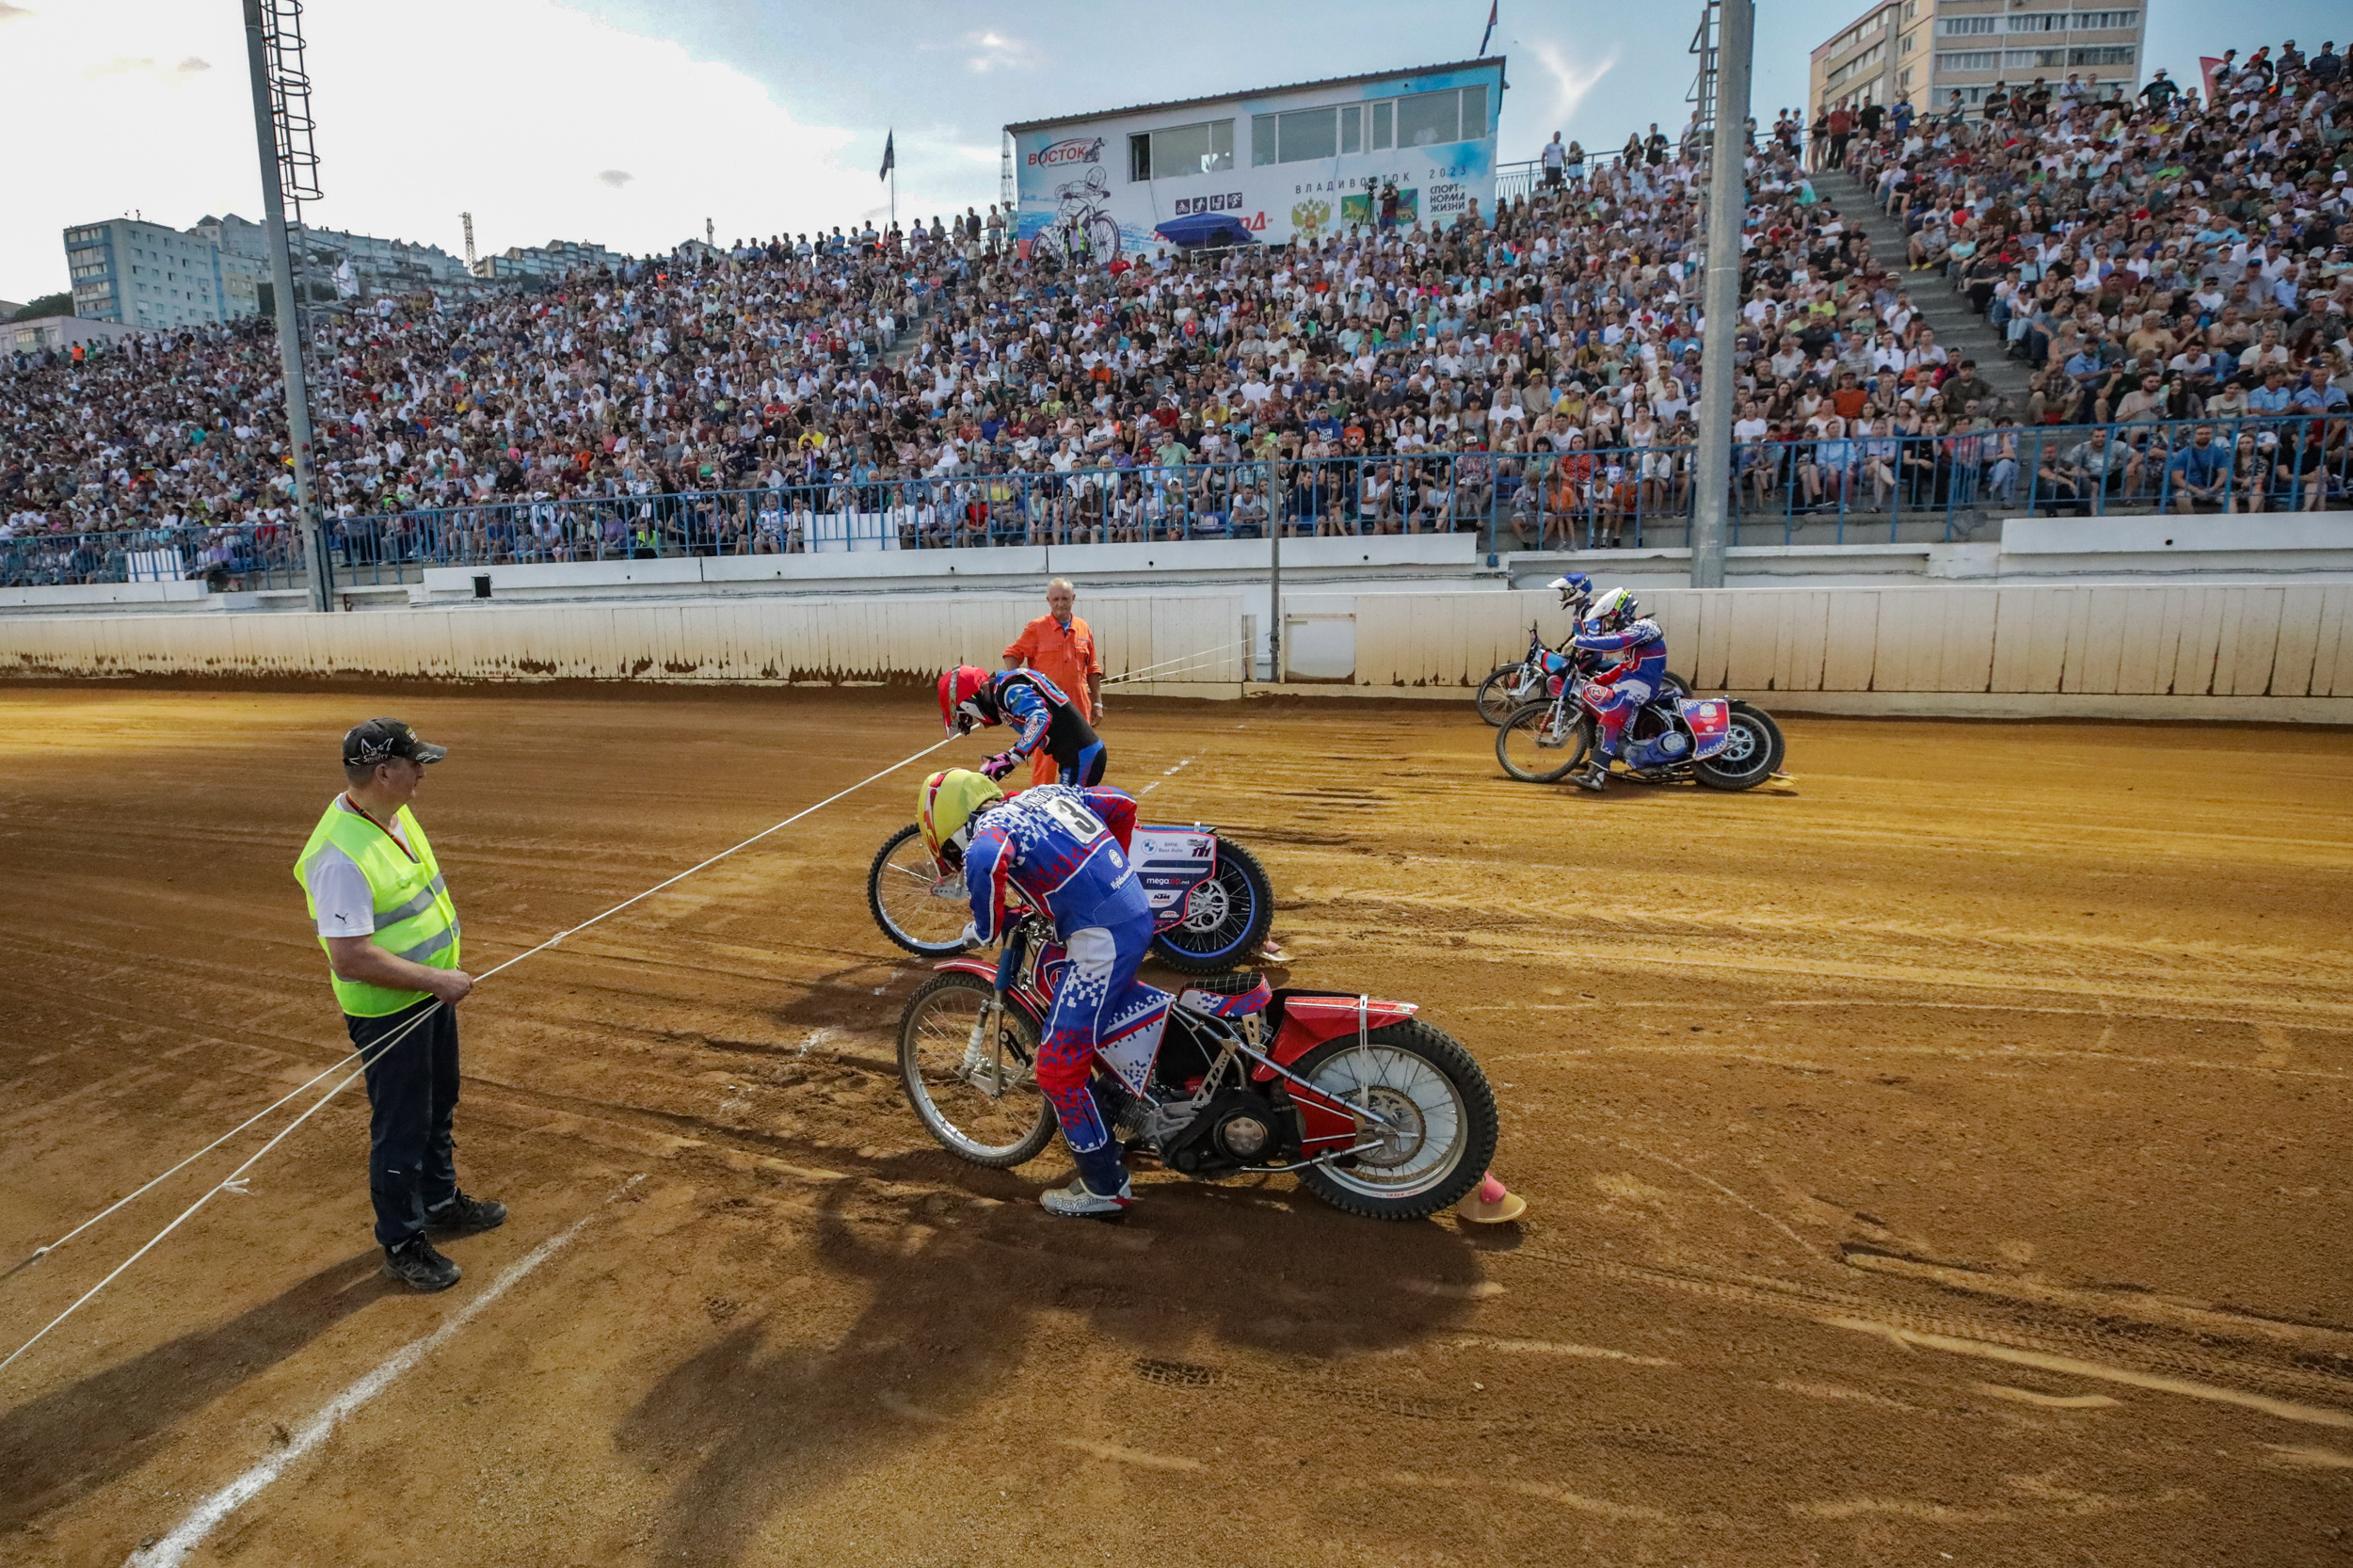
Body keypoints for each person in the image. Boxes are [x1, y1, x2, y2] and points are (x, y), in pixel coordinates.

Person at [293, 720, 504, 1293]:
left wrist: (436, 982)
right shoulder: (339, 857)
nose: (422, 772)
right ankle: (402, 1240)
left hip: (428, 997)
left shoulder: (392, 816)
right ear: (383, 773)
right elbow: (351, 957)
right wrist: (437, 979)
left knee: (439, 1102)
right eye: (415, 764)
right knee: (401, 1125)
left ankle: (438, 1200)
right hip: (391, 1011)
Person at [919, 768, 1164, 1219]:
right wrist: (1115, 865)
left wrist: (984, 927)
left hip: (1103, 942)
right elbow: (1121, 802)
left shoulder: (988, 834)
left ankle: (1105, 1187)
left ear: (951, 830)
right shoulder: (1044, 793)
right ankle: (1121, 1103)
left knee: (1057, 1071)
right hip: (1128, 907)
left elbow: (988, 860)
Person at [1001, 577, 1104, 788]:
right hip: (1047, 711)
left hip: (1078, 708)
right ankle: (1041, 805)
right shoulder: (1036, 628)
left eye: (1064, 598)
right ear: (1048, 600)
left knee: (1081, 760)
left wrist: (1098, 703)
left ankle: (1077, 803)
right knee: (1045, 764)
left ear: (1073, 599)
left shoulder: (1083, 628)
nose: (1060, 603)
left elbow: (1092, 668)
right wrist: (1016, 687)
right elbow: (1012, 653)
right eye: (1055, 599)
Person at [1565, 588, 1669, 792]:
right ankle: (1597, 757)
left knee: (1610, 718)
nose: (1610, 626)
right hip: (1630, 684)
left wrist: (1581, 641)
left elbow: (1616, 642)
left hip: (1642, 687)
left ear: (1617, 612)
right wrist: (1598, 680)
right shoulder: (1636, 634)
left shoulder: (1646, 627)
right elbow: (1625, 666)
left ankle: (1597, 777)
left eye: (1610, 620)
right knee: (1589, 705)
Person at [940, 663, 1105, 786]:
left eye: (968, 715)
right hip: (1078, 755)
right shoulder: (1006, 685)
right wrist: (1008, 754)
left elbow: (1039, 719)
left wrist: (1012, 760)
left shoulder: (1008, 690)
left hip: (1081, 757)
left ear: (970, 701)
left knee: (1068, 823)